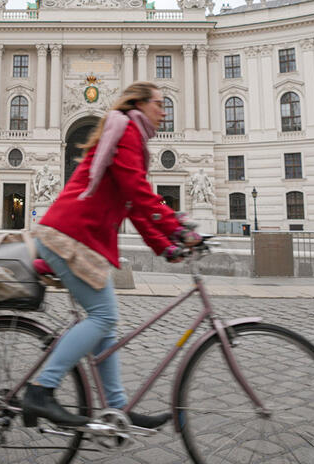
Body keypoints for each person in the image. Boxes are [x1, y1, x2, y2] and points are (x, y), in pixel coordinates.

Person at [22, 82, 200, 430]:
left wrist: (165, 244)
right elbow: (138, 192)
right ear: (141, 104)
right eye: (159, 104)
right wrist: (176, 230)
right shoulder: (127, 131)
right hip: (69, 237)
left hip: (78, 238)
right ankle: (41, 390)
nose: (164, 111)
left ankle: (116, 408)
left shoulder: (129, 135)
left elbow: (133, 202)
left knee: (104, 325)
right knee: (103, 317)